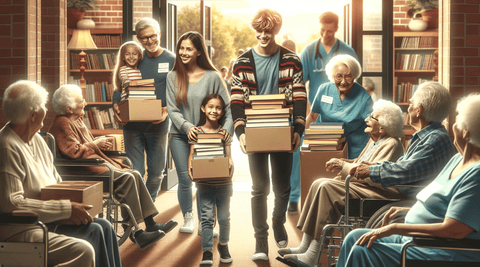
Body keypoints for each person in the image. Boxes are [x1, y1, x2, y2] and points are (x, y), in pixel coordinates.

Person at [336, 93, 480, 267]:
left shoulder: (476, 174)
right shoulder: (456, 159)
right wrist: (407, 209)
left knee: (363, 249)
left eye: (456, 121)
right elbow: (438, 203)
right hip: (420, 240)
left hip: (442, 249)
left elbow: (455, 230)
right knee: (354, 237)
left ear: (466, 132)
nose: (452, 127)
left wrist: (396, 228)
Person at [0, 80, 118, 267]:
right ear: (33, 115)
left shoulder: (38, 140)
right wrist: (66, 210)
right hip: (23, 229)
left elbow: (56, 181)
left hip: (47, 219)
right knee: (86, 246)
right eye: (43, 107)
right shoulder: (7, 147)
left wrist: (78, 204)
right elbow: (12, 203)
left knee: (103, 226)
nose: (46, 111)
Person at [49, 84, 178, 250]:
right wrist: (96, 144)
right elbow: (73, 152)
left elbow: (86, 147)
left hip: (91, 166)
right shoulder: (62, 122)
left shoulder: (76, 119)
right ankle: (136, 232)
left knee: (135, 174)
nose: (85, 102)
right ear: (69, 107)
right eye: (80, 100)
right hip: (81, 170)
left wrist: (99, 145)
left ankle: (150, 223)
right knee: (127, 177)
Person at [279, 100, 406, 267]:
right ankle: (304, 246)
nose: (367, 119)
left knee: (326, 187)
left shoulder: (392, 144)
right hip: (360, 186)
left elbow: (373, 175)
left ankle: (312, 254)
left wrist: (345, 167)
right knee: (317, 183)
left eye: (372, 117)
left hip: (376, 192)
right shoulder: (375, 140)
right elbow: (359, 162)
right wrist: (343, 162)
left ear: (382, 127)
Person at [230, 8, 307, 261]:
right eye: (259, 30)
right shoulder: (241, 63)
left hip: (283, 129)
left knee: (282, 187)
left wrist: (298, 128)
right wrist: (240, 131)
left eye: (268, 31)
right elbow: (236, 99)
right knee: (259, 187)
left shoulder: (292, 60)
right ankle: (260, 239)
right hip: (255, 130)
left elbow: (299, 96)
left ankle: (277, 221)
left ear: (275, 31)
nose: (263, 35)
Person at [287, 11, 360, 215]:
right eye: (322, 30)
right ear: (318, 27)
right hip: (317, 111)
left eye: (330, 31)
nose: (326, 34)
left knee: (345, 149)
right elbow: (299, 83)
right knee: (299, 147)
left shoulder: (346, 51)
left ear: (336, 28)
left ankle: (343, 196)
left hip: (342, 112)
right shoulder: (309, 51)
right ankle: (294, 197)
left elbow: (355, 83)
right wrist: (308, 109)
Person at [166, 31, 233, 235]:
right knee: (185, 178)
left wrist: (225, 133)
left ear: (198, 52)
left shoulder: (213, 76)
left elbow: (228, 109)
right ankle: (188, 216)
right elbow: (172, 109)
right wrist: (188, 127)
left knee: (206, 179)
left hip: (208, 138)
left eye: (189, 49)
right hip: (179, 134)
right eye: (181, 48)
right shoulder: (172, 76)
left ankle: (208, 221)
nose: (183, 52)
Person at [112, 17, 175, 201]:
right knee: (137, 172)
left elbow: (179, 92)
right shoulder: (135, 57)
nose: (149, 41)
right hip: (133, 126)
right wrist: (116, 104)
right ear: (138, 39)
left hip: (158, 125)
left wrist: (167, 111)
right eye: (143, 38)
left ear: (159, 34)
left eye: (152, 36)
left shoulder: (172, 60)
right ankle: (141, 215)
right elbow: (120, 84)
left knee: (156, 173)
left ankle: (146, 207)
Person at [187, 94, 234, 265]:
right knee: (206, 218)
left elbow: (229, 158)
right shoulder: (196, 132)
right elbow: (192, 155)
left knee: (223, 218)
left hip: (223, 184)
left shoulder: (224, 134)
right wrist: (190, 169)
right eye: (211, 107)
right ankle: (207, 252)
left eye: (218, 108)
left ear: (222, 112)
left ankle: (223, 245)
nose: (214, 110)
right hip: (204, 184)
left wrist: (230, 168)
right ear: (203, 108)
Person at [306, 54, 373, 159]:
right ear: (332, 76)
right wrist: (303, 137)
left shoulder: (364, 97)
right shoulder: (324, 90)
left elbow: (372, 126)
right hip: (327, 145)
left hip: (355, 150)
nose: (343, 81)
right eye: (338, 76)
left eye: (348, 76)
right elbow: (312, 117)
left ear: (354, 76)